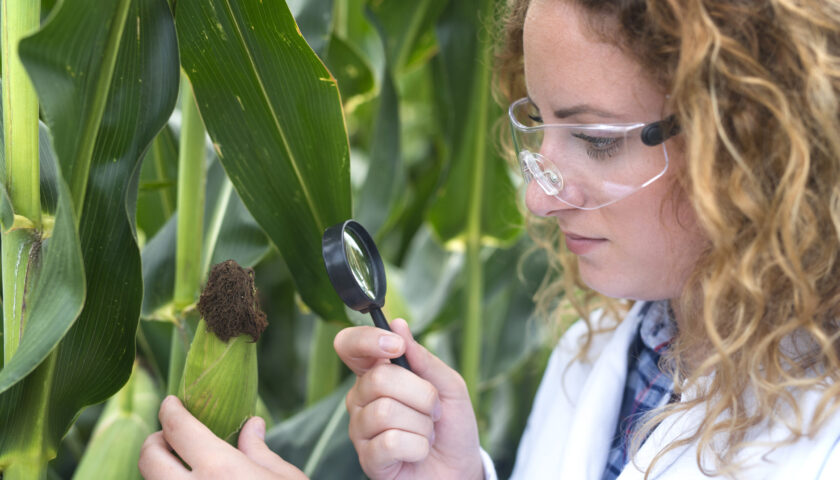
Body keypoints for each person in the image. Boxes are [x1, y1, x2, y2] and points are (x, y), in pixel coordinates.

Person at [139, 0, 840, 478]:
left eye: (597, 142)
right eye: (539, 128)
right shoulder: (609, 350)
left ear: (752, 137)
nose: (538, 197)